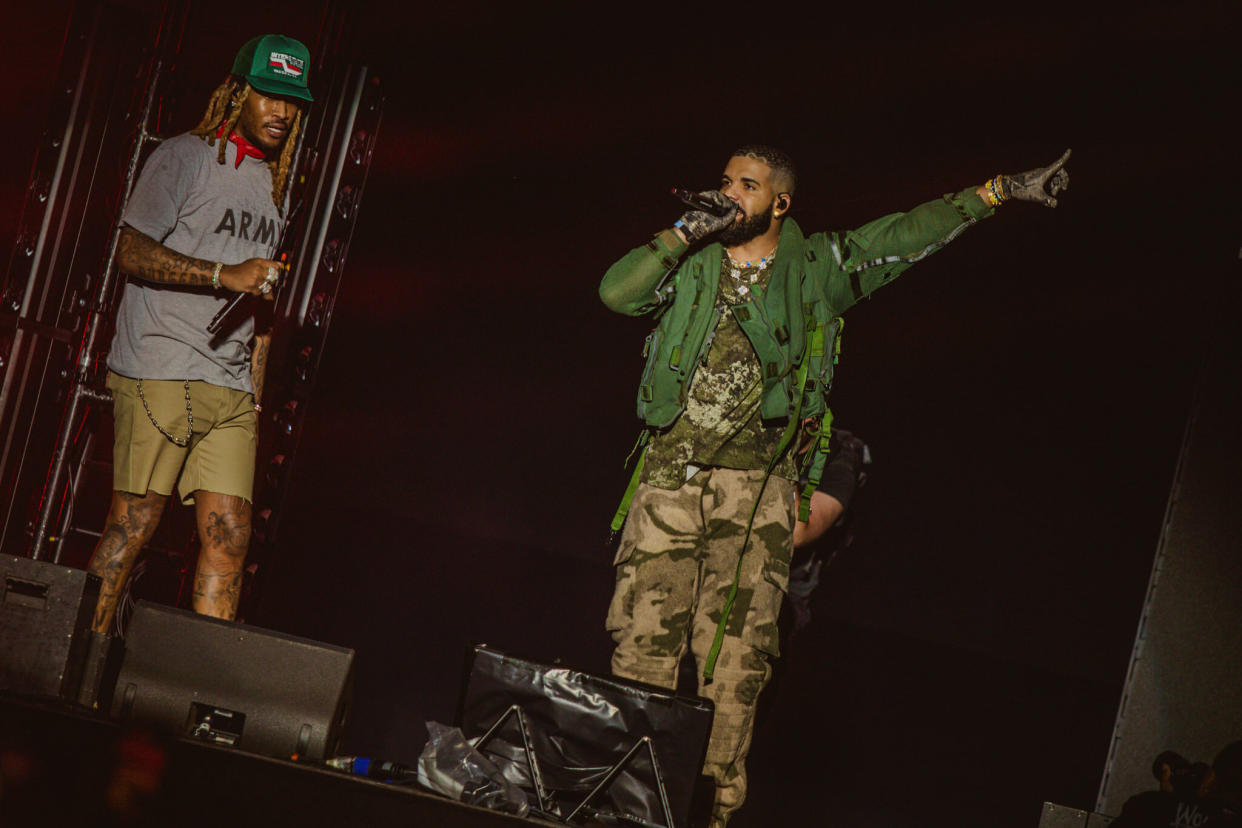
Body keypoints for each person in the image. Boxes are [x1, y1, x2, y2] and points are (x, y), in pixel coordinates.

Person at [599, 144, 1070, 826]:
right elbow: (617, 293)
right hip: (668, 482)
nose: (730, 192)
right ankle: (621, 810)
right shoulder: (690, 263)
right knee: (640, 650)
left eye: (748, 184)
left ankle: (708, 817)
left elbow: (907, 234)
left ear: (779, 202)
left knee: (733, 670)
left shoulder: (817, 268)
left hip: (755, 495)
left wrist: (996, 191)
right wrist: (678, 235)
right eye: (726, 180)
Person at [86, 34, 313, 633]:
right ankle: (78, 663)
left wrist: (257, 397)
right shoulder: (183, 157)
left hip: (229, 388)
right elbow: (129, 251)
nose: (282, 112)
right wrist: (221, 274)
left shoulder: (275, 185)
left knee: (232, 540)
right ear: (237, 92)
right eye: (269, 95)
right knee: (132, 528)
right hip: (160, 368)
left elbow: (261, 307)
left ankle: (197, 704)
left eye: (292, 102)